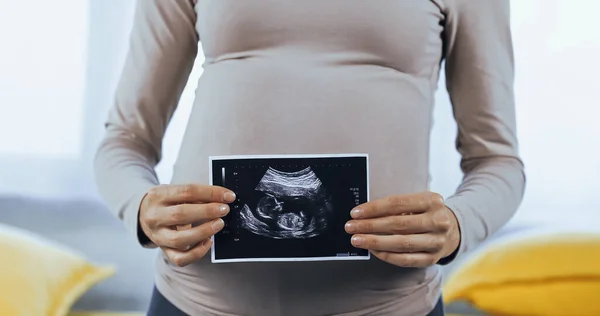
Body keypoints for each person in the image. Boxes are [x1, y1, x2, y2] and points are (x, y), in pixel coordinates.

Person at [94, 1, 525, 315]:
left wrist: (457, 223)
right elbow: (124, 143)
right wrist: (141, 208)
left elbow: (498, 162)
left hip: (389, 307)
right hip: (194, 303)